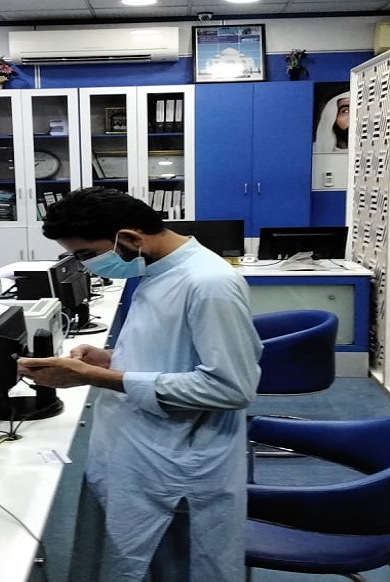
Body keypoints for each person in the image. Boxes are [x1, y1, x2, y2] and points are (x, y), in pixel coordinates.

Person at [16, 187, 262, 581]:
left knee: (172, 566)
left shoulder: (208, 282)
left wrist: (93, 377)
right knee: (127, 559)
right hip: (141, 450)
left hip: (179, 466)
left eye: (86, 254)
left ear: (130, 238)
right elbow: (177, 353)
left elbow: (230, 388)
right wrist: (111, 359)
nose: (85, 265)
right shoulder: (160, 270)